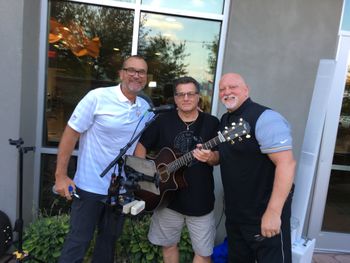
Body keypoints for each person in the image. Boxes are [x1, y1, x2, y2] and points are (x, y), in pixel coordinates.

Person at [54, 55, 151, 263]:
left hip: (120, 190)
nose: (136, 75)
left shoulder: (144, 108)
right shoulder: (97, 97)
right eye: (131, 70)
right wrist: (61, 176)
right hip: (89, 187)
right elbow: (71, 134)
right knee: (77, 243)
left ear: (146, 77)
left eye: (141, 72)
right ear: (121, 73)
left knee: (107, 245)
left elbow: (140, 146)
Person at [134, 76, 220, 263]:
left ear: (198, 97)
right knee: (169, 245)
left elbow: (218, 158)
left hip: (200, 199)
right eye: (181, 94)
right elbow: (140, 147)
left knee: (204, 253)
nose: (186, 98)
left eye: (190, 94)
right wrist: (146, 177)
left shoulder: (212, 123)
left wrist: (210, 157)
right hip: (166, 199)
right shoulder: (162, 121)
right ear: (175, 98)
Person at [217, 73, 296, 263]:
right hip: (236, 215)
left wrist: (274, 213)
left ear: (246, 90)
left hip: (263, 214)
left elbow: (286, 164)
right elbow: (230, 156)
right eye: (222, 89)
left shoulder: (266, 118)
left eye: (233, 87)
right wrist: (210, 157)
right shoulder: (225, 120)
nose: (227, 92)